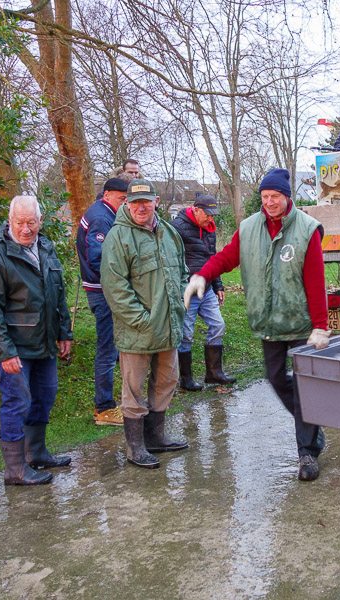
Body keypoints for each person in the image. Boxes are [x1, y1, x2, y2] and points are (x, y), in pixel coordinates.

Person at [184, 168, 330, 481]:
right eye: (264, 197)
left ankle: (307, 453)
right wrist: (203, 275)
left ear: (287, 196)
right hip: (269, 322)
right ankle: (313, 426)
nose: (269, 202)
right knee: (276, 379)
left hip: (301, 323)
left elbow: (316, 281)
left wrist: (321, 324)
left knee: (304, 386)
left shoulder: (306, 229)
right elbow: (226, 257)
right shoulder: (249, 228)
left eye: (274, 196)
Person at [0, 195, 73, 486]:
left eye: (31, 222)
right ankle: (15, 469)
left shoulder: (45, 247)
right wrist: (4, 352)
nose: (26, 229)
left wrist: (64, 331)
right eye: (20, 222)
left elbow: (58, 293)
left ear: (40, 221)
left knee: (45, 395)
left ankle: (37, 453)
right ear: (10, 221)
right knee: (17, 401)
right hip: (15, 346)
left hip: (44, 341)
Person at [100, 178, 190, 469]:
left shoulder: (168, 233)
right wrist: (142, 320)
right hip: (137, 331)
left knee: (166, 382)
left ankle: (155, 438)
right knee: (134, 389)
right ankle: (135, 447)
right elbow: (114, 287)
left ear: (156, 203)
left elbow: (183, 270)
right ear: (127, 204)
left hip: (169, 326)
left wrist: (181, 301)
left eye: (146, 202)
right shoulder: (118, 237)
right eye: (135, 202)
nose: (141, 207)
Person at [169, 194, 236, 391]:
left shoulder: (210, 229)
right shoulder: (177, 228)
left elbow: (212, 258)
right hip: (186, 290)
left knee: (218, 325)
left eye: (213, 215)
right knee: (186, 334)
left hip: (206, 288)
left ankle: (214, 374)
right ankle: (185, 379)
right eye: (207, 214)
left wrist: (218, 285)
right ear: (196, 209)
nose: (211, 219)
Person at [76, 178, 129, 426]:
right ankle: (104, 408)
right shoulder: (101, 216)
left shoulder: (105, 212)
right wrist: (119, 281)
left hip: (104, 289)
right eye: (122, 199)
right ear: (107, 195)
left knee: (114, 347)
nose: (125, 203)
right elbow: (97, 258)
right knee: (108, 349)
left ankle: (117, 400)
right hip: (102, 290)